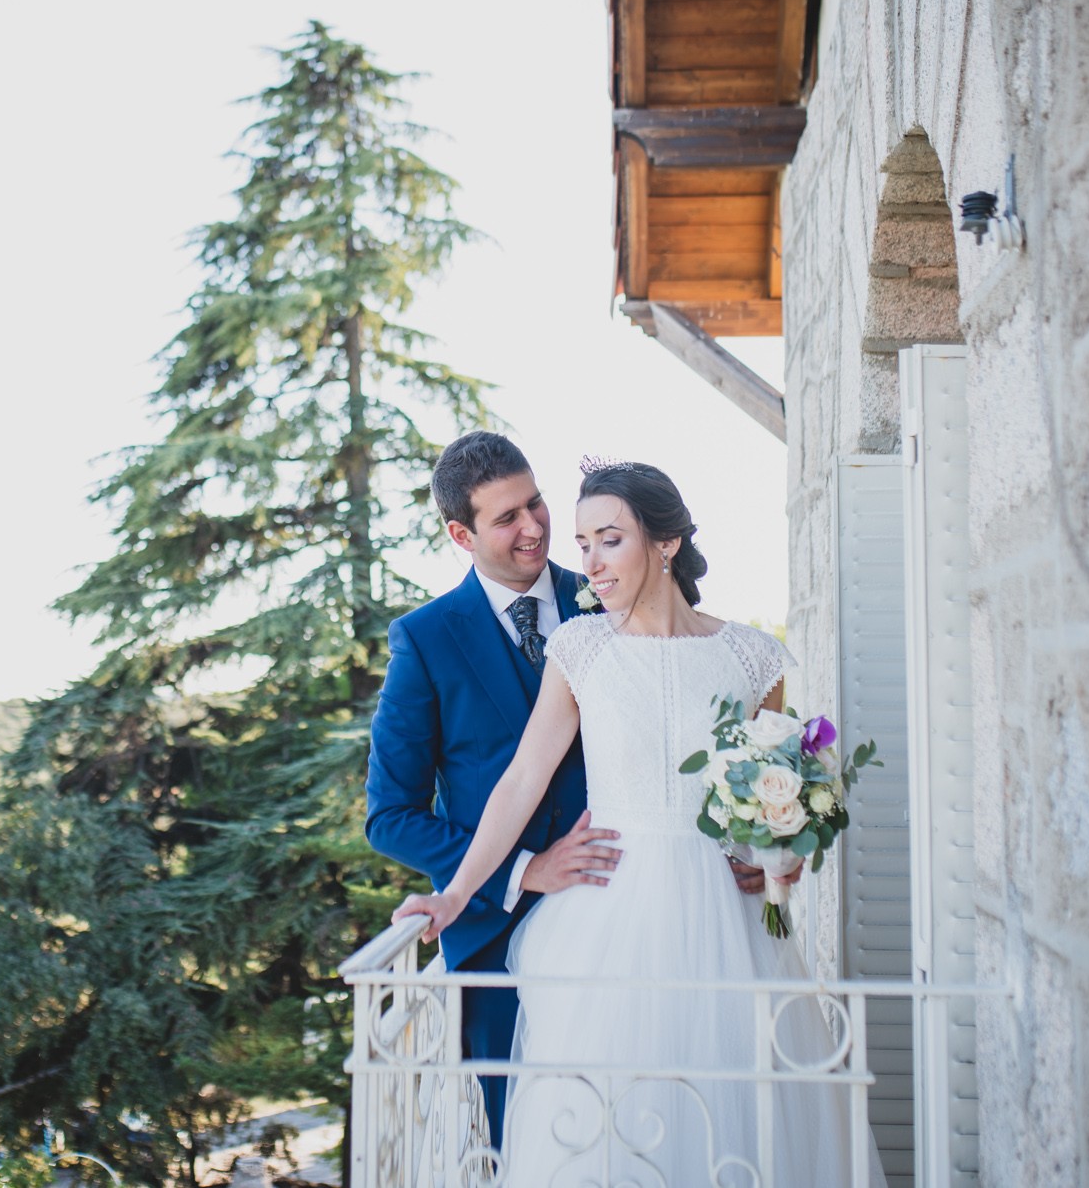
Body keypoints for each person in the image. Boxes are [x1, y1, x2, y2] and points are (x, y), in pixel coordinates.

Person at [391, 461, 883, 1186]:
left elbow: (772, 794)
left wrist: (781, 856)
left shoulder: (753, 659)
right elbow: (521, 780)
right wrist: (455, 894)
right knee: (608, 1126)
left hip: (729, 921)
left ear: (666, 542)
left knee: (740, 1115)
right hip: (608, 918)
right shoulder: (581, 649)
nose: (589, 561)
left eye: (610, 539)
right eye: (583, 542)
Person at [365, 433, 769, 1142]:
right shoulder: (425, 640)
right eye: (506, 518)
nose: (534, 528)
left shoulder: (611, 593)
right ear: (461, 535)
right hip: (497, 935)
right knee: (540, 1141)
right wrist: (522, 870)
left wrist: (759, 844)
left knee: (707, 1119)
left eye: (536, 503)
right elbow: (391, 815)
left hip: (670, 912)